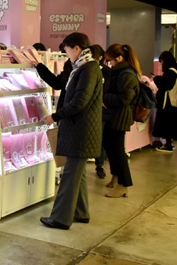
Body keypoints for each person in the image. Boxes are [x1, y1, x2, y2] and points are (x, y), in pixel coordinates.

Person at [39, 33, 103, 230]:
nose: (66, 54)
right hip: (79, 128)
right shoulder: (81, 67)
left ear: (76, 48)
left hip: (81, 130)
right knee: (77, 173)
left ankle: (60, 218)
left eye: (66, 50)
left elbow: (79, 101)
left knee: (69, 175)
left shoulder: (88, 68)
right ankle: (80, 212)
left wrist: (56, 116)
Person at [102, 43, 140, 198]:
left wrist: (104, 98)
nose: (109, 63)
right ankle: (116, 176)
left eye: (110, 60)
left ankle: (124, 184)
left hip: (120, 116)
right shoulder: (119, 72)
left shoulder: (126, 74)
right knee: (109, 145)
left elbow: (125, 98)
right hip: (112, 115)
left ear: (119, 58)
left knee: (117, 150)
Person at [90, 44, 111, 179]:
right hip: (87, 109)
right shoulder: (85, 69)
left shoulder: (107, 72)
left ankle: (100, 165)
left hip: (101, 111)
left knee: (100, 139)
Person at [153, 51, 177, 153]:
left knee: (166, 123)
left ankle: (168, 145)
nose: (160, 64)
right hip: (171, 102)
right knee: (170, 123)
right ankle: (169, 143)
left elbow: (166, 85)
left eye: (161, 61)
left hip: (167, 102)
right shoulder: (176, 70)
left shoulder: (170, 72)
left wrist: (156, 79)